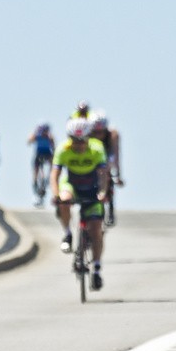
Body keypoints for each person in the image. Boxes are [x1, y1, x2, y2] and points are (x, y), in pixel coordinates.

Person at [51, 117, 109, 290]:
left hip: (92, 188)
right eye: (74, 141)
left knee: (96, 229)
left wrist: (103, 192)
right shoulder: (63, 149)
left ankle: (97, 269)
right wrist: (56, 196)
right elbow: (55, 175)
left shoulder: (97, 149)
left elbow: (104, 174)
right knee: (64, 199)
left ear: (87, 138)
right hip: (72, 185)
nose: (78, 145)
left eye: (81, 141)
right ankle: (68, 233)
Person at [90, 110, 123, 225]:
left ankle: (111, 208)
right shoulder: (88, 134)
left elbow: (116, 154)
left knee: (107, 168)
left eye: (101, 132)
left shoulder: (113, 134)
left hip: (107, 157)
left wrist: (118, 174)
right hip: (94, 158)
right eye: (96, 132)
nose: (98, 135)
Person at [27, 122, 55, 206]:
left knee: (53, 164)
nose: (44, 133)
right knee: (36, 169)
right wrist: (34, 134)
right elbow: (29, 141)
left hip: (47, 153)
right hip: (39, 154)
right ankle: (35, 181)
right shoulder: (37, 135)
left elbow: (54, 146)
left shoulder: (50, 137)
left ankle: (49, 177)